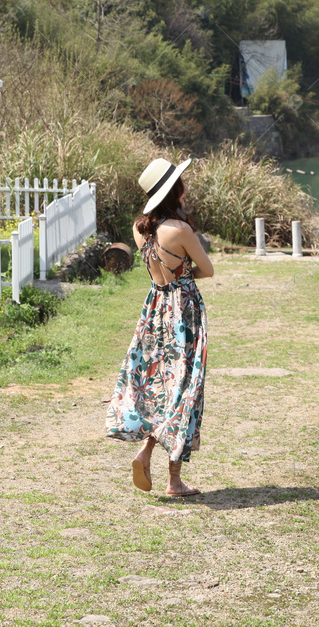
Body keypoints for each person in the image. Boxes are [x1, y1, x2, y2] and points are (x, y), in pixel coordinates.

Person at [105, 158, 213, 496]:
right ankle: (174, 481)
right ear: (174, 191)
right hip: (183, 313)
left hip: (155, 309)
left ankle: (146, 450)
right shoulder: (181, 231)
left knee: (156, 385)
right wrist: (185, 275)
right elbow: (207, 269)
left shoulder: (140, 230)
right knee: (183, 388)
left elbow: (157, 272)